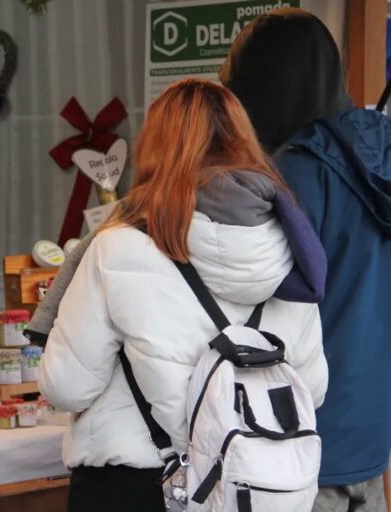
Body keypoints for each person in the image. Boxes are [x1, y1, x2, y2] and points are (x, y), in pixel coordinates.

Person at [38, 78, 328, 511]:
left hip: (133, 486)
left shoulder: (116, 246)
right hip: (247, 489)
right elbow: (313, 388)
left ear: (153, 148)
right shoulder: (288, 254)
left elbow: (67, 386)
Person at [219, 9, 390, 511]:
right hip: (371, 433)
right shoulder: (378, 158)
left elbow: (246, 299)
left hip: (298, 436)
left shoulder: (294, 174)